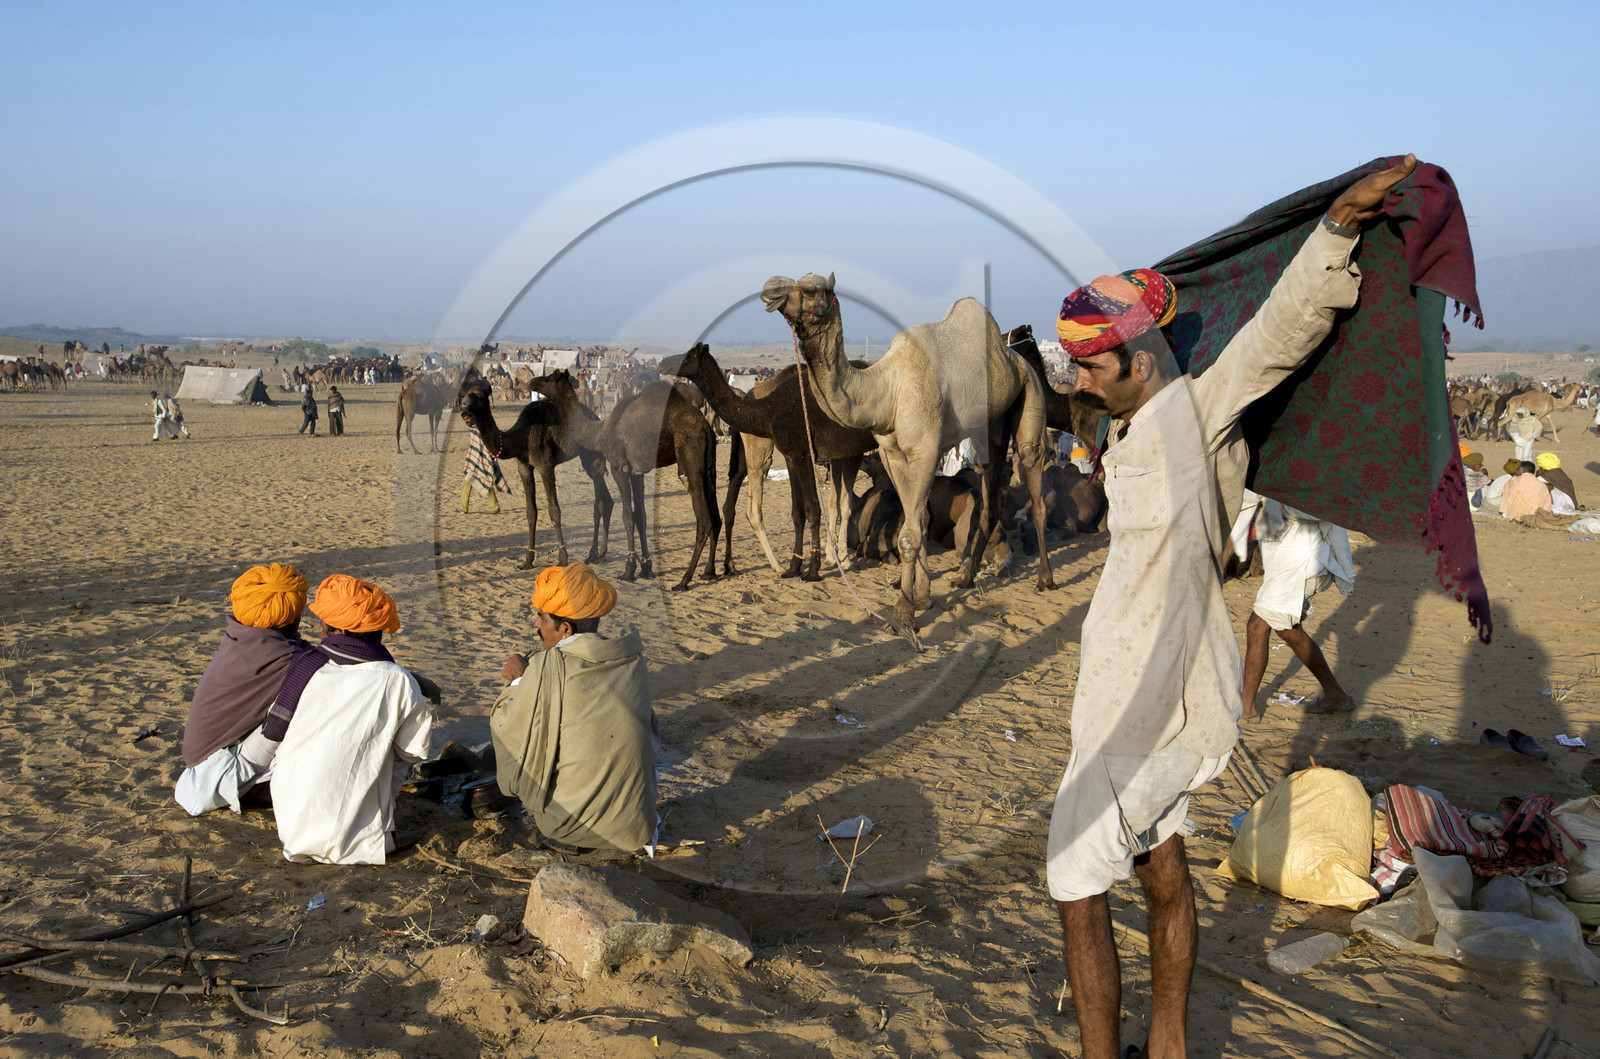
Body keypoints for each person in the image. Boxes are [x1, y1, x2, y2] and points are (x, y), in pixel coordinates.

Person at [1045, 157, 1414, 1059]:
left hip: (1150, 696)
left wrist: (1334, 228)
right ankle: (1167, 1047)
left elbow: (1277, 334)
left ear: (1139, 362)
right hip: (1150, 687)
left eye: (1092, 371)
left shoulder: (1196, 413)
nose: (1079, 383)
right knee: (1162, 865)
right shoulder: (1136, 422)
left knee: (1074, 883)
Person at [490, 563, 658, 855]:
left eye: (542, 618)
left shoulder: (547, 666)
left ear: (565, 629)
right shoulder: (631, 659)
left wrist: (518, 680)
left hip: (570, 827)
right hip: (637, 825)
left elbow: (507, 728)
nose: (536, 625)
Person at [268, 575, 437, 864]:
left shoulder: (307, 663)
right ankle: (374, 836)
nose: (321, 631)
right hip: (350, 837)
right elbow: (415, 750)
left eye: (323, 624)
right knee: (396, 752)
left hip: (290, 825)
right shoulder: (396, 679)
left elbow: (274, 730)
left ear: (339, 628)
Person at [174, 564, 310, 815]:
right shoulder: (282, 661)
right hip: (217, 773)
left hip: (205, 764)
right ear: (294, 620)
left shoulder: (240, 638)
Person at [1236, 490, 1355, 720]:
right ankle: (1335, 694)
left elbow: (1319, 507)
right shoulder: (1276, 469)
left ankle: (1246, 707)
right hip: (1287, 562)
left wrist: (1265, 511)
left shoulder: (1301, 474)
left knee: (1257, 625)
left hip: (1302, 562)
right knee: (1286, 629)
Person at [461, 426, 510, 514]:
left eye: (467, 418)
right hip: (474, 462)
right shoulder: (473, 431)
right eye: (465, 419)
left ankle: (495, 508)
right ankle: (463, 508)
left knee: (486, 482)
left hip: (484, 462)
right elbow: (474, 447)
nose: (466, 421)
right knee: (468, 482)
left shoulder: (483, 430)